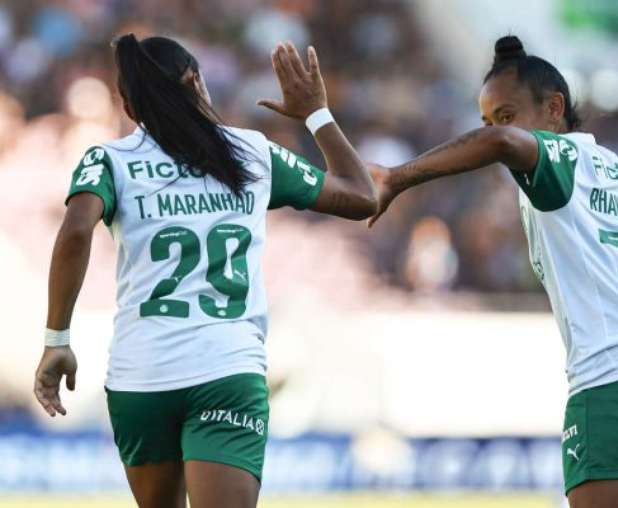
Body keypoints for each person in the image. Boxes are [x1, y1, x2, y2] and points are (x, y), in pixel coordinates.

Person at [368, 35, 618, 508]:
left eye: (506, 116)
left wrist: (396, 178)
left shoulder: (558, 162)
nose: (496, 132)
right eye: (487, 120)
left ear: (554, 109)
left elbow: (498, 143)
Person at [33, 34, 375, 508]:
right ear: (196, 80)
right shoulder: (251, 153)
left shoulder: (109, 161)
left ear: (129, 107)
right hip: (225, 369)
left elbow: (75, 232)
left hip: (141, 377)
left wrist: (57, 340)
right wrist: (316, 113)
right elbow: (362, 196)